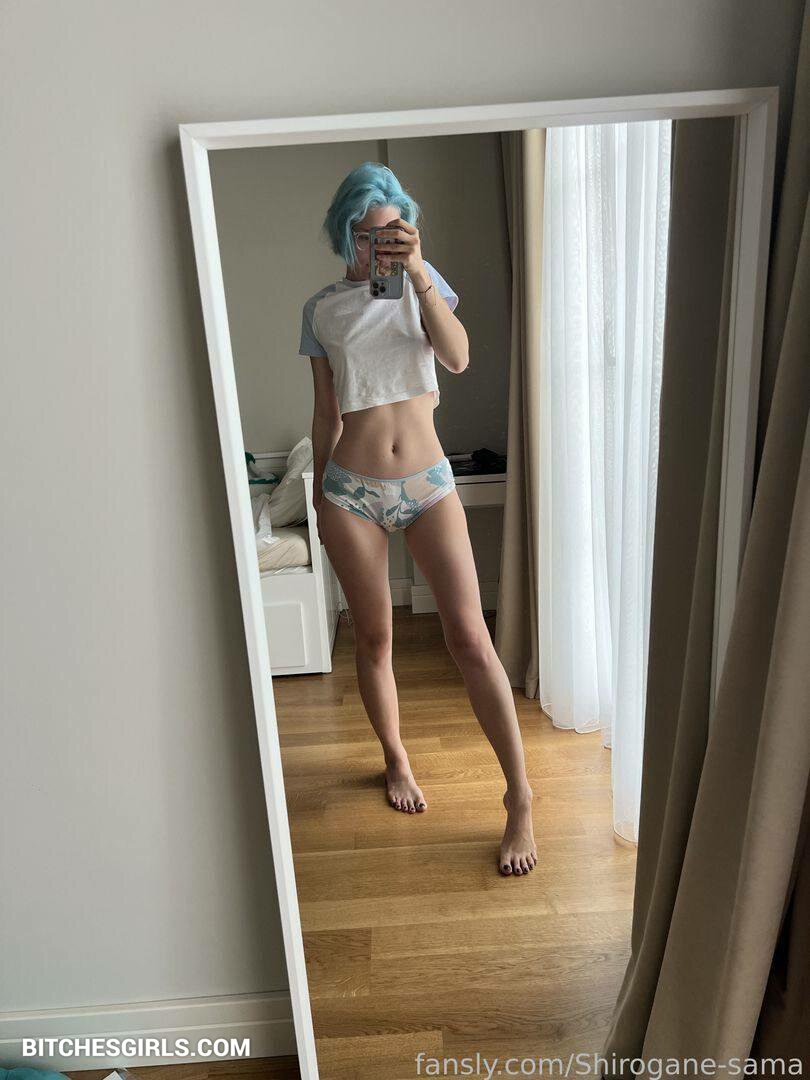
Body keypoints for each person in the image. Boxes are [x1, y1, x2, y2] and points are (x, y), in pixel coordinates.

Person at [299, 162, 536, 876]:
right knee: (375, 637)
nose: (378, 248)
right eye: (365, 236)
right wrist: (321, 496)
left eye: (391, 234)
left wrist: (419, 272)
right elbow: (326, 411)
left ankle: (520, 797)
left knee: (470, 638)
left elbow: (457, 358)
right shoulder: (321, 310)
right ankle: (396, 759)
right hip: (351, 491)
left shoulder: (423, 284)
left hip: (428, 484)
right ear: (344, 232)